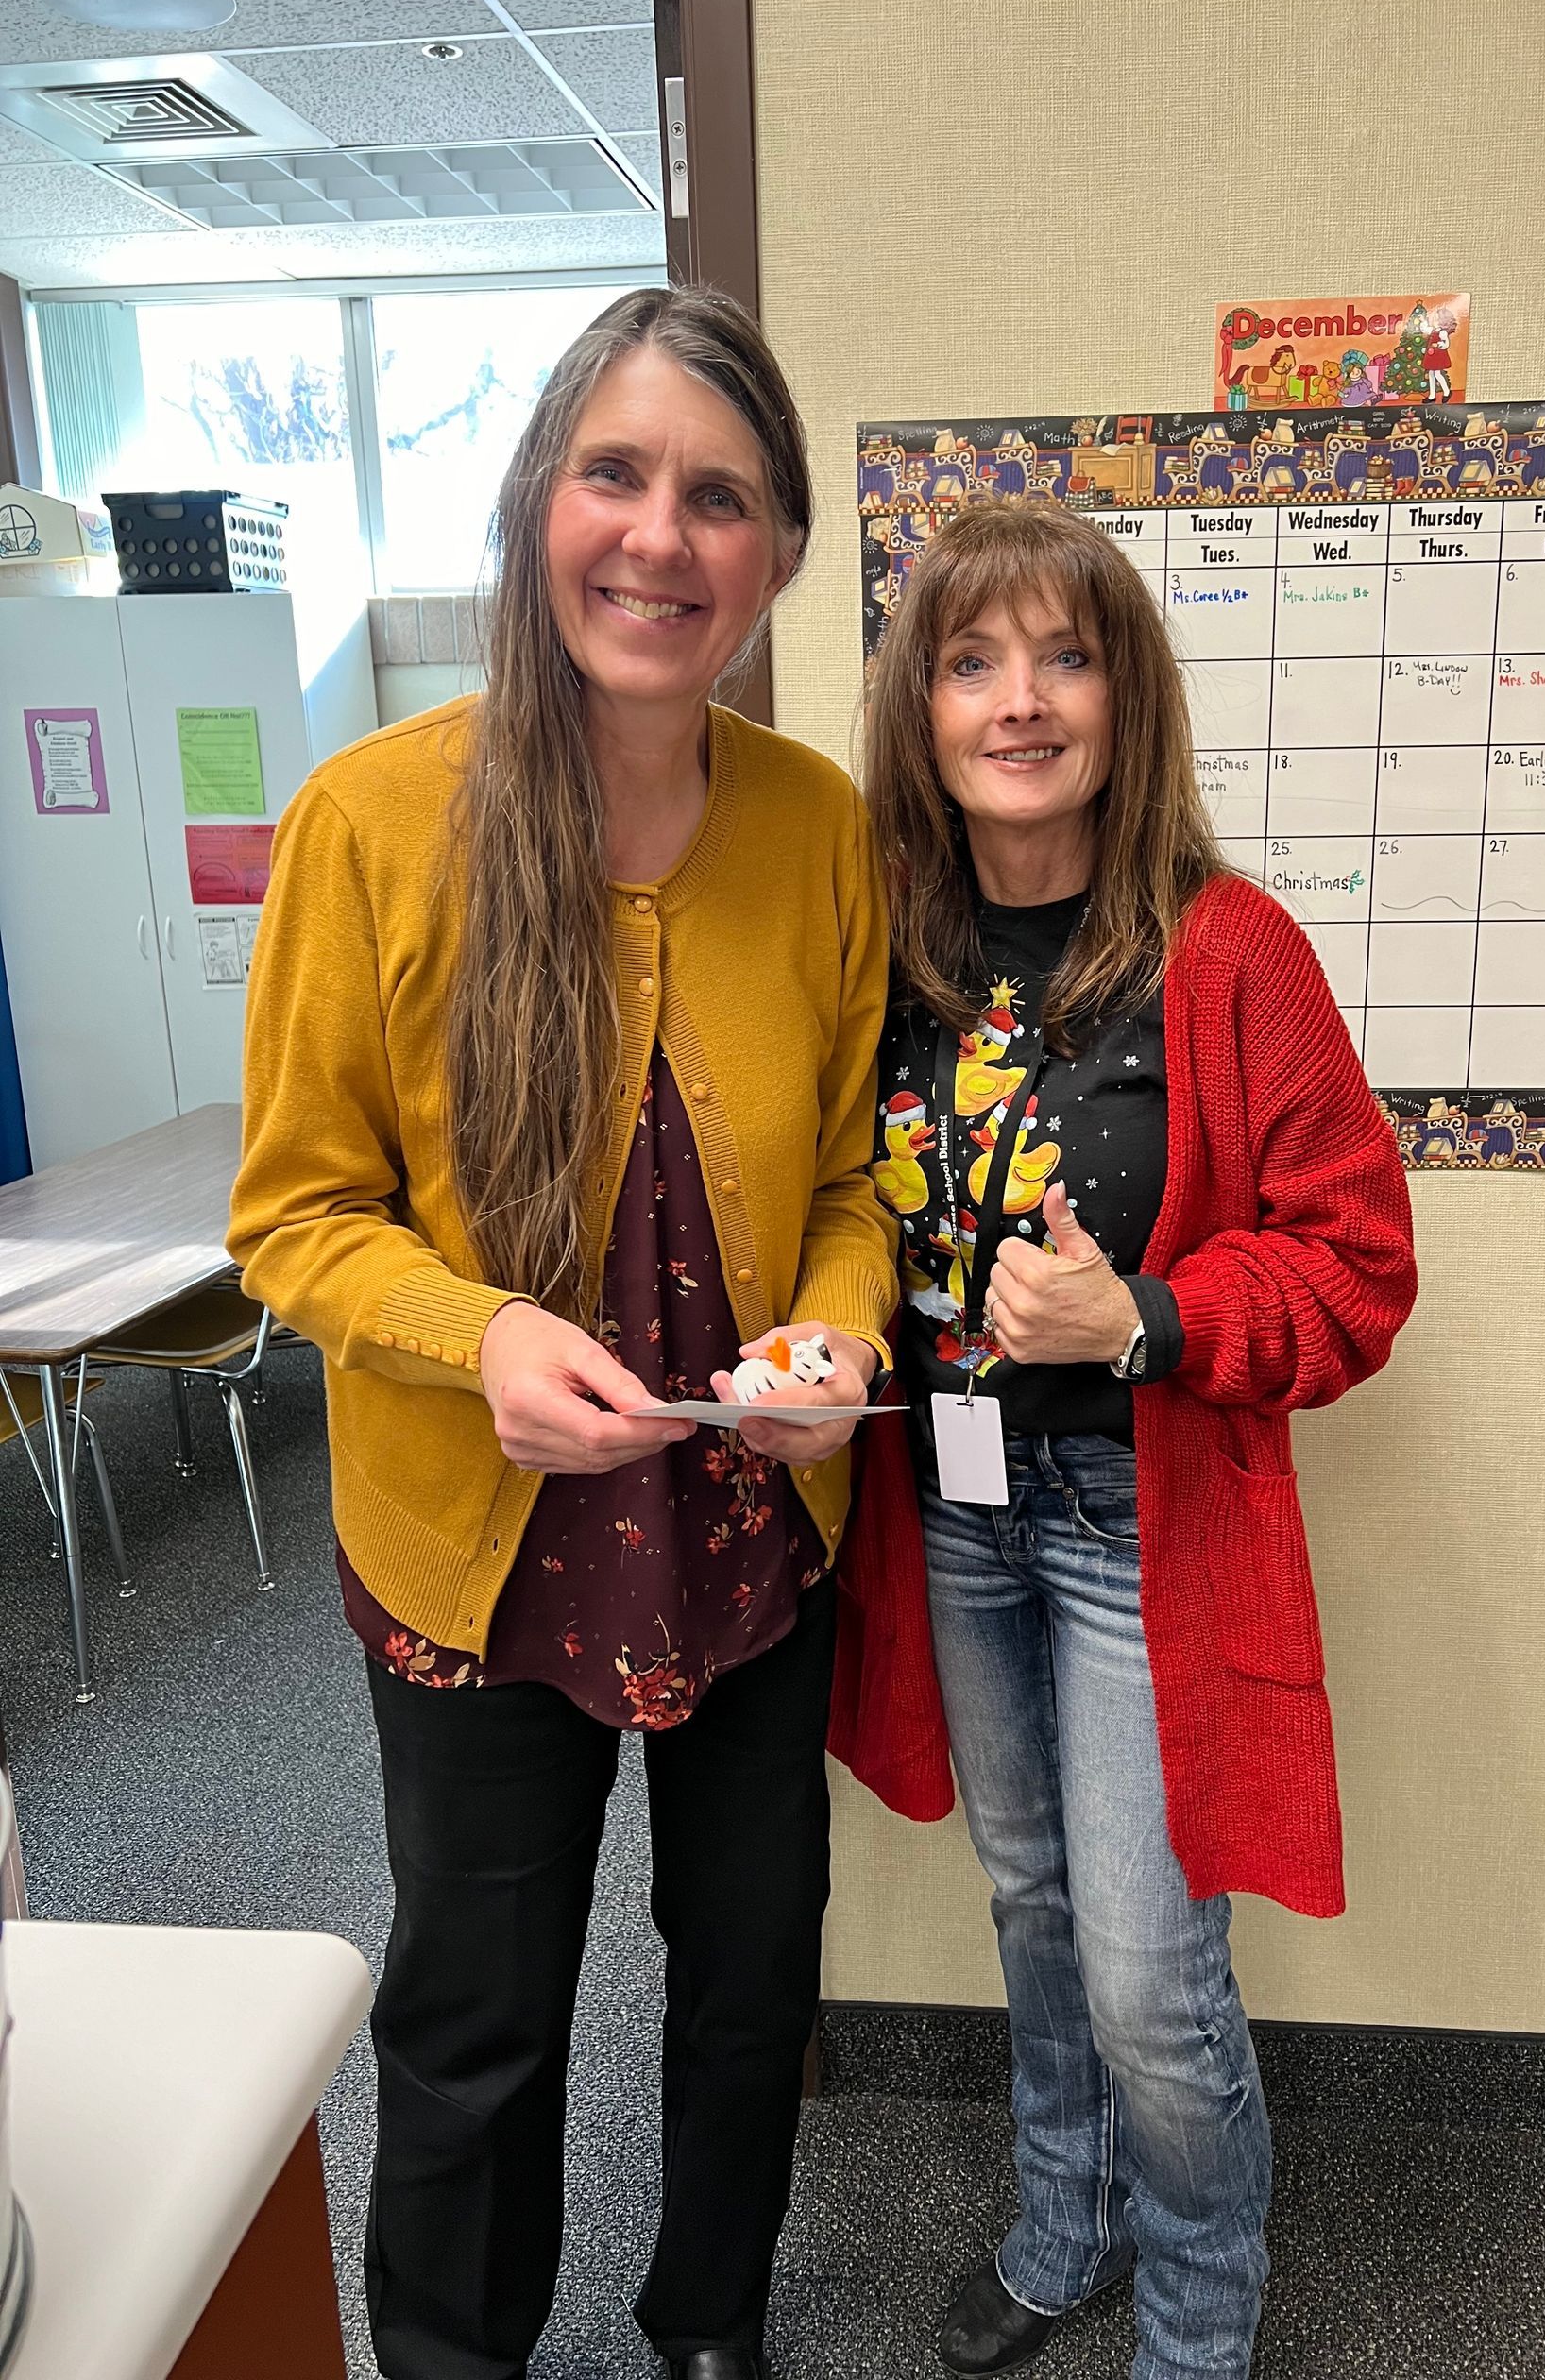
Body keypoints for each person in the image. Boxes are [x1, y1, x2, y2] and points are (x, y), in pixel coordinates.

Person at [228, 286, 896, 2380]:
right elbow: (295, 1219)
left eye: (719, 496)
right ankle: (453, 2355)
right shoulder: (370, 820)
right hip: (472, 1528)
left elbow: (866, 1181)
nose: (660, 536)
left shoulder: (822, 826)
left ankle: (711, 2322)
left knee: (748, 1979)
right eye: (615, 473)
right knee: (479, 2000)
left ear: (777, 553)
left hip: (753, 1531)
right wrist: (481, 1330)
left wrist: (843, 1342)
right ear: (538, 504)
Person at [843, 498, 1418, 2379]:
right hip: (949, 1505)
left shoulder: (1227, 946)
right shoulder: (886, 943)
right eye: (973, 659)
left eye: (1065, 655)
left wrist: (1149, 1316)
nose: (1021, 700)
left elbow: (1357, 1268)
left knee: (1151, 1968)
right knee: (1028, 1899)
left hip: (1128, 1514)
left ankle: (1196, 2303)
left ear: (1126, 693)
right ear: (921, 705)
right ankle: (1065, 2214)